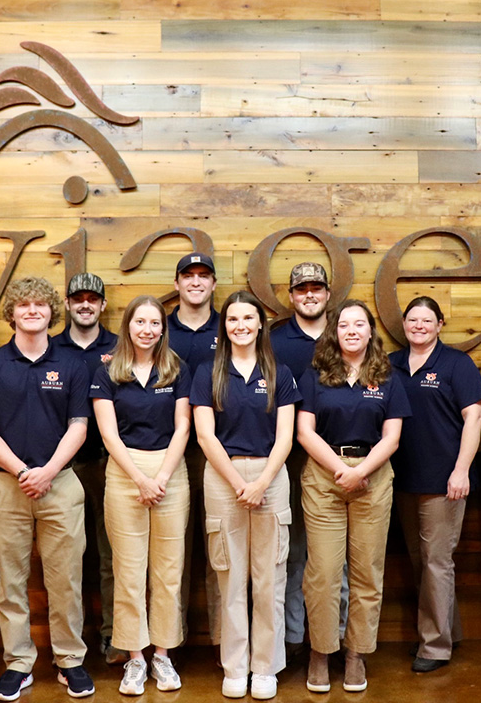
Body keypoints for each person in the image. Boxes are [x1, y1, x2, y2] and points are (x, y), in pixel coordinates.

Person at [0, 277, 96, 700]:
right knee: (12, 580)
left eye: (40, 305)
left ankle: (69, 661)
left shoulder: (73, 366)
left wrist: (48, 472)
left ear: (50, 312)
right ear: (12, 313)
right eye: (23, 305)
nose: (32, 311)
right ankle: (19, 663)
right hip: (6, 487)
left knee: (66, 579)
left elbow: (79, 427)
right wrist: (25, 471)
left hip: (60, 484)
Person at [296, 300, 409, 694]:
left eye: (359, 324)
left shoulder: (388, 376)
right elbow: (304, 432)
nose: (352, 330)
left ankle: (356, 653)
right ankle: (321, 652)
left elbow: (393, 436)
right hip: (325, 477)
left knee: (366, 573)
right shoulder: (315, 374)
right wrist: (341, 471)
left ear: (369, 331)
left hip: (373, 480)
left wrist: (361, 472)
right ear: (334, 331)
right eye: (344, 324)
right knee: (324, 574)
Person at [192, 291, 300, 700]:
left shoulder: (280, 372)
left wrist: (260, 482)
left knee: (269, 577)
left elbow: (286, 437)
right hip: (224, 478)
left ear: (260, 325)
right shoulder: (208, 372)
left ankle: (265, 667)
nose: (240, 325)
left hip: (271, 477)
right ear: (226, 326)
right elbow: (204, 434)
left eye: (248, 318)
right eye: (233, 319)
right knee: (230, 577)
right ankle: (235, 667)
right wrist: (238, 484)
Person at [90, 296, 192, 696]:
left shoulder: (176, 369)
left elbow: (184, 427)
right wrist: (139, 478)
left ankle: (162, 656)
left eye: (155, 323)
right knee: (128, 571)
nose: (147, 329)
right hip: (124, 472)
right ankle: (135, 658)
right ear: (128, 325)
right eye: (140, 322)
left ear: (163, 329)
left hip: (170, 470)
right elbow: (108, 434)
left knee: (168, 571)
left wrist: (162, 476)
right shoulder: (107, 372)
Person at [389, 296, 481, 673]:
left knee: (437, 562)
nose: (419, 326)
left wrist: (462, 470)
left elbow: (474, 418)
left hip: (445, 481)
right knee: (422, 562)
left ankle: (434, 646)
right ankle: (448, 630)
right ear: (404, 324)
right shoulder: (393, 364)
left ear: (440, 324)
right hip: (403, 480)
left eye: (427, 320)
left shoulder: (456, 364)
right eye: (413, 320)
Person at [51, 273, 123, 665]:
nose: (85, 304)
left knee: (111, 555)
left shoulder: (119, 346)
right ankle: (70, 641)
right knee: (66, 557)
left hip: (109, 464)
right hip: (62, 468)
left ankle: (113, 634)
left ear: (102, 304)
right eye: (77, 298)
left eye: (92, 298)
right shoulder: (51, 347)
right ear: (66, 303)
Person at [269, 261, 338, 659]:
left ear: (327, 293)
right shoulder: (276, 341)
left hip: (339, 462)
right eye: (301, 289)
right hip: (288, 459)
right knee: (292, 551)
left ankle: (333, 638)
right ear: (291, 296)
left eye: (316, 288)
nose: (309, 294)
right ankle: (296, 639)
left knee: (333, 558)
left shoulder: (345, 331)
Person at [166, 252, 223, 648]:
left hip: (219, 451)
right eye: (189, 275)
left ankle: (224, 642)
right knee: (174, 553)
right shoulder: (158, 328)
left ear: (214, 284)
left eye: (204, 276)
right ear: (178, 283)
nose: (196, 282)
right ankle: (170, 642)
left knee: (220, 552)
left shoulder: (231, 325)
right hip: (169, 452)